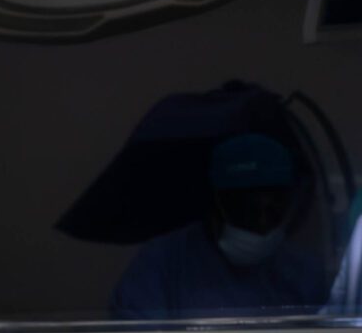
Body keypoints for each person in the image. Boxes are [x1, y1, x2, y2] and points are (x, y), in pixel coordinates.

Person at [112, 130, 331, 320]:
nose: (262, 222)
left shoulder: (303, 273)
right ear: (215, 202)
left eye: (273, 209)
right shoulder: (162, 266)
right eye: (247, 210)